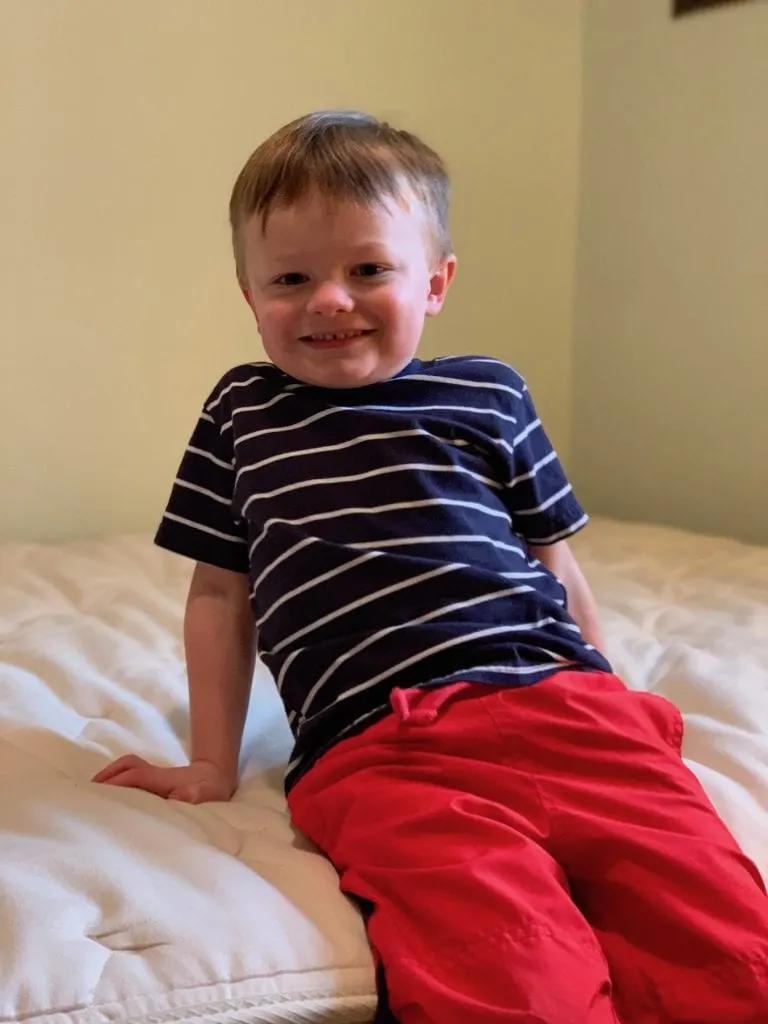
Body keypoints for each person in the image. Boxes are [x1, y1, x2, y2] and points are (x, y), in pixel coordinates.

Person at [93, 110, 768, 1023]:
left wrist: (610, 690)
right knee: (503, 969)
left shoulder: (489, 390)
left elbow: (554, 562)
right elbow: (220, 592)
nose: (329, 299)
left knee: (721, 938)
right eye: (291, 279)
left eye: (368, 269)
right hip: (385, 745)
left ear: (436, 281)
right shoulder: (243, 411)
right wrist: (211, 763)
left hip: (568, 708)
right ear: (250, 298)